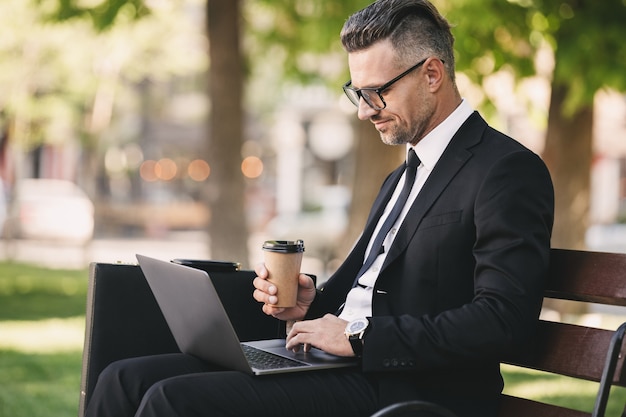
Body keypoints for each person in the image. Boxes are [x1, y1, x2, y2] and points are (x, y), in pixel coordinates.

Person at [85, 0, 554, 416]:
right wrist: (311, 304)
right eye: (357, 93)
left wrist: (358, 339)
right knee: (123, 378)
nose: (364, 111)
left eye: (377, 92)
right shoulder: (402, 177)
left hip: (413, 392)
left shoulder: (506, 169)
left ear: (432, 74)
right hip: (338, 368)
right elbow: (366, 292)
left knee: (175, 401)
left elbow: (503, 320)